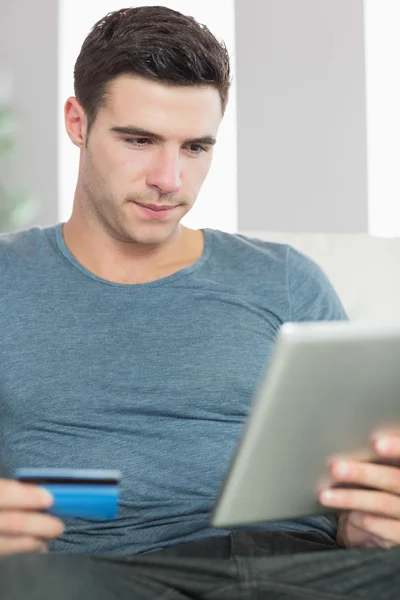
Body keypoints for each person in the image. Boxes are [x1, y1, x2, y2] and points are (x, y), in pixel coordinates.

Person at [0, 6, 399, 599]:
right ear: (77, 122)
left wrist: (366, 521)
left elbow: (350, 479)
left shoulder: (284, 278)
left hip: (297, 566)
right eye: (139, 140)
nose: (169, 178)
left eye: (195, 147)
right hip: (99, 574)